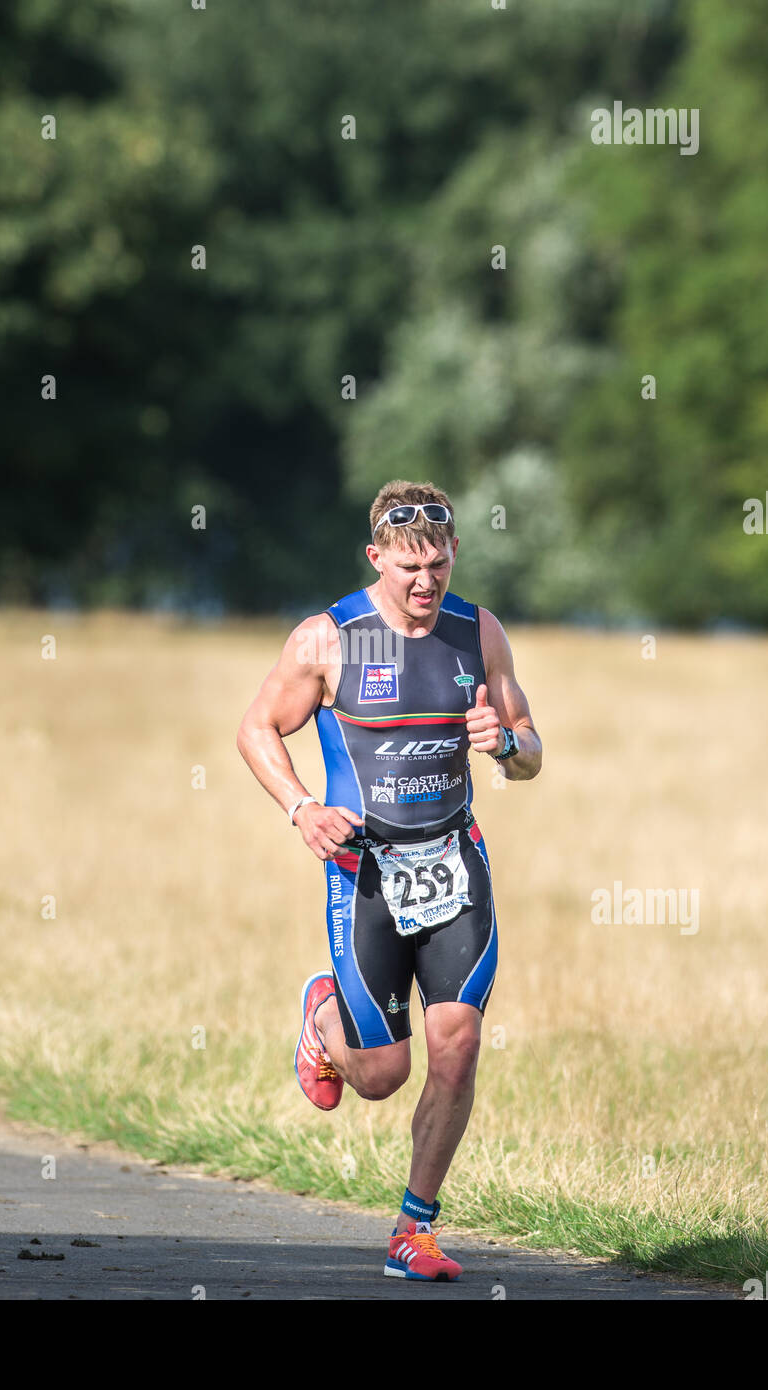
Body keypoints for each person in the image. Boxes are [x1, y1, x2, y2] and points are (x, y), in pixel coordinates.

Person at [236, 480, 542, 1281]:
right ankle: (323, 1015)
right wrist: (300, 807)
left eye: (438, 564)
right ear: (376, 558)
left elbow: (531, 746)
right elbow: (256, 726)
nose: (424, 582)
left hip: (452, 865)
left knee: (458, 1043)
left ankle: (414, 1228)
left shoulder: (476, 633)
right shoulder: (334, 638)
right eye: (408, 566)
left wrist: (506, 747)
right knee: (379, 1076)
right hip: (363, 871)